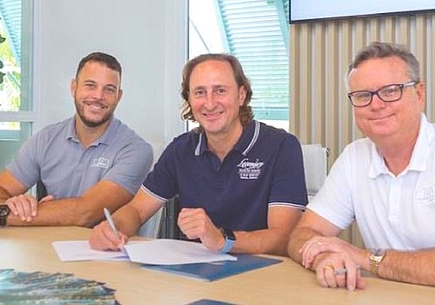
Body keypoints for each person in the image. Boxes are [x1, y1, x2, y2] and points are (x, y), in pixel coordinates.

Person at [288, 41, 435, 292]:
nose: (376, 104)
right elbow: (303, 233)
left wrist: (364, 258)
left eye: (390, 91)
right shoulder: (354, 157)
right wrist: (323, 256)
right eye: (363, 95)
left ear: (419, 95)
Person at [89, 53, 307, 255]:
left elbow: (283, 237)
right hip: (194, 275)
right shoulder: (181, 149)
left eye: (220, 90)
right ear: (190, 101)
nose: (210, 103)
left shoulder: (281, 146)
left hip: (262, 274)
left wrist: (222, 240)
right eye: (200, 92)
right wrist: (113, 227)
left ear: (241, 95)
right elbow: (137, 210)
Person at [0, 52, 153, 229]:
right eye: (90, 85)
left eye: (109, 89)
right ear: (73, 87)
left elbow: (87, 213)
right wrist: (16, 205)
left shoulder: (136, 150)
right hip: (47, 248)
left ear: (118, 96)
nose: (98, 96)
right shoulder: (46, 139)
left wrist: (2, 215)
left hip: (105, 255)